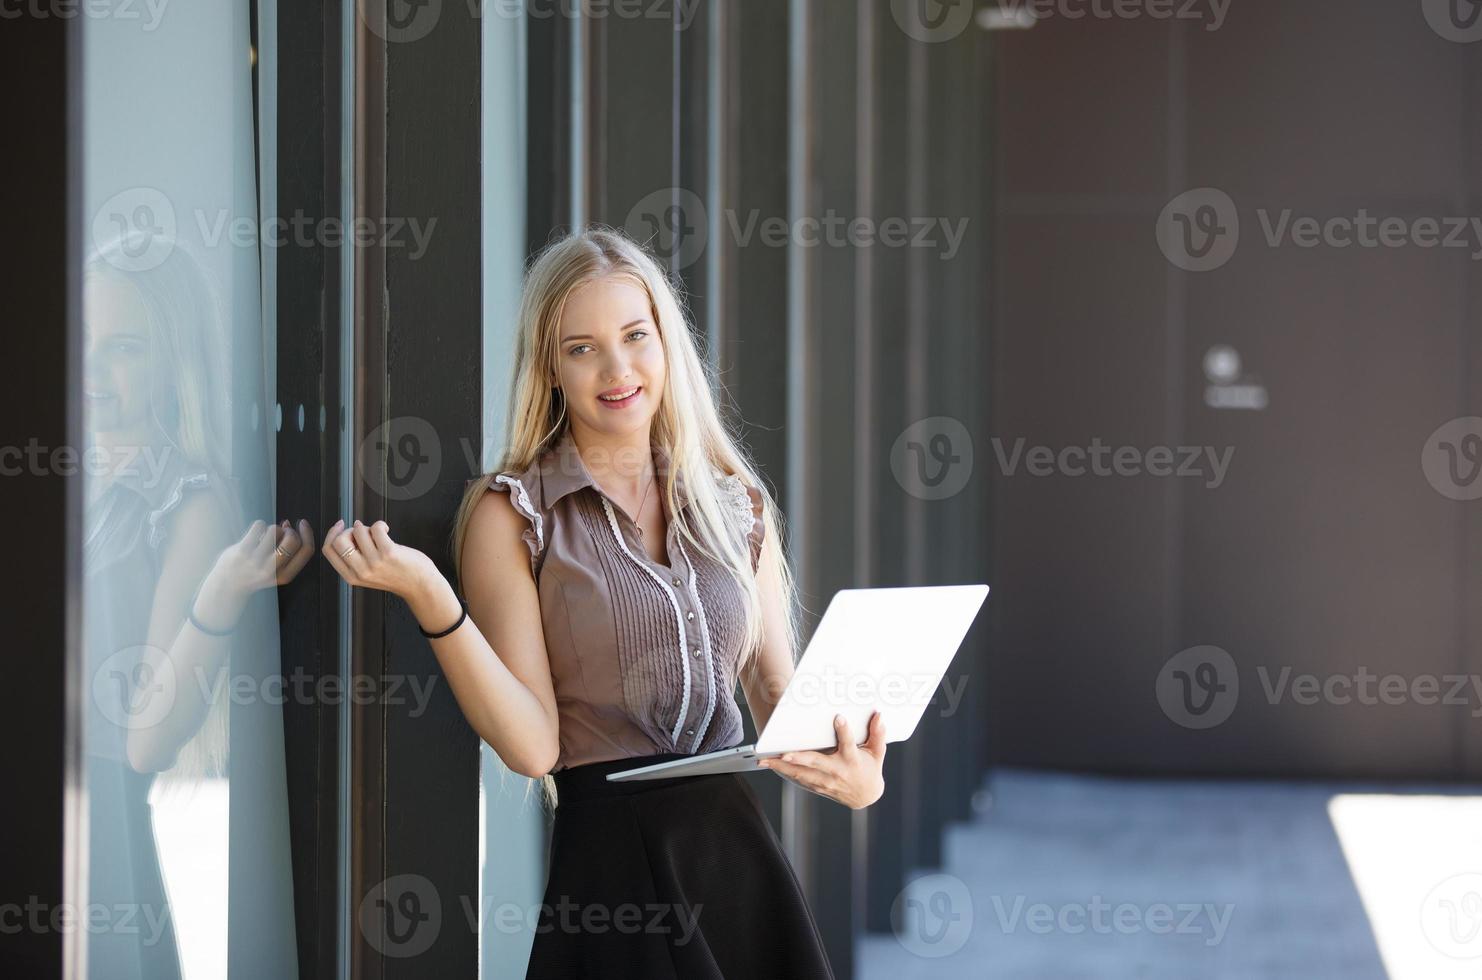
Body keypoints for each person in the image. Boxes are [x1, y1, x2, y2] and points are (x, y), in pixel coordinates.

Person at [321, 226, 887, 977]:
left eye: (634, 336)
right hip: (612, 876)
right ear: (550, 369)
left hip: (738, 864)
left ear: (666, 344)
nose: (617, 369)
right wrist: (430, 595)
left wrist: (859, 775)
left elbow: (781, 698)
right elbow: (533, 749)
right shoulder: (513, 515)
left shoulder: (733, 503)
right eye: (581, 348)